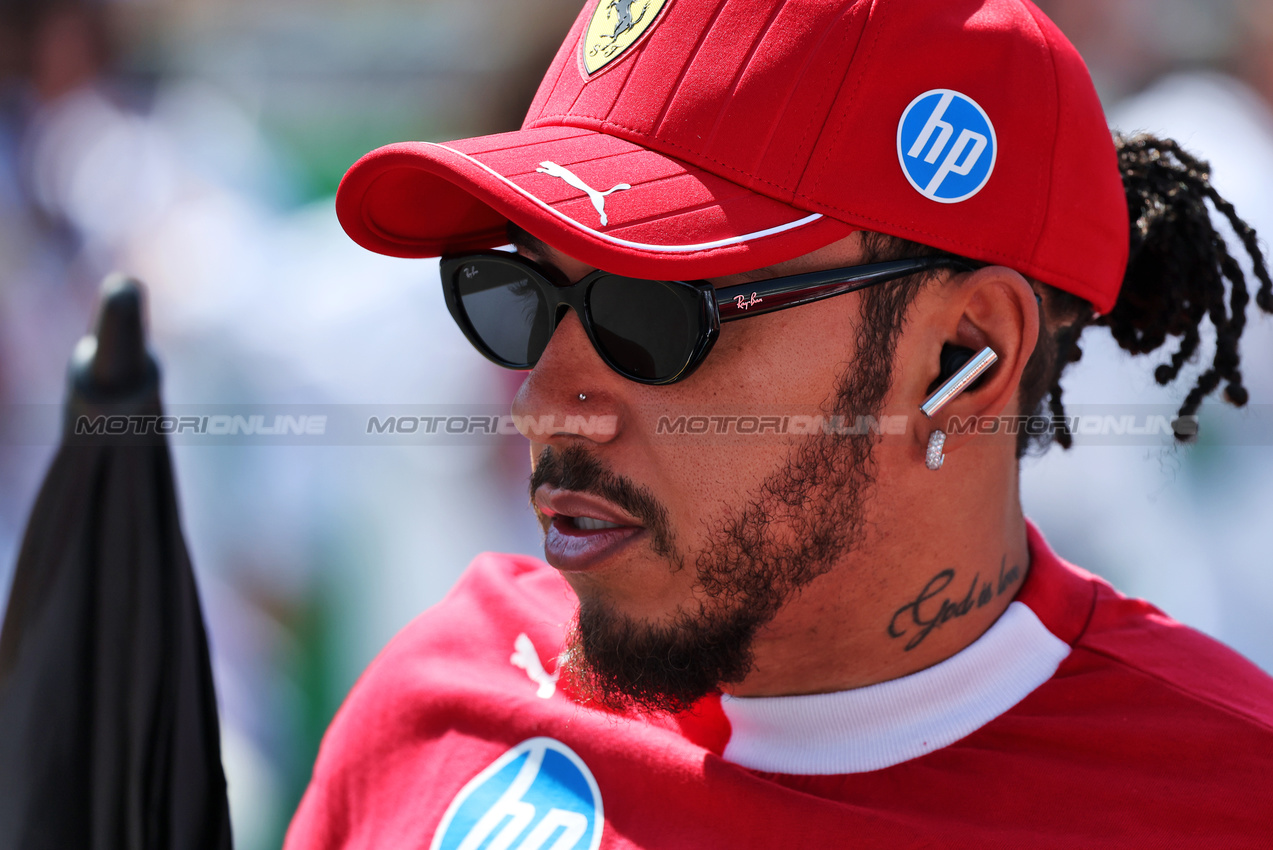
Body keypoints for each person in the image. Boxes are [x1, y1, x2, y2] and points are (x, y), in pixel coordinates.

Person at [286, 0, 1273, 846]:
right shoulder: (437, 708)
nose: (543, 405)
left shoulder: (1225, 799)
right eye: (518, 294)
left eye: (655, 314)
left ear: (961, 352)